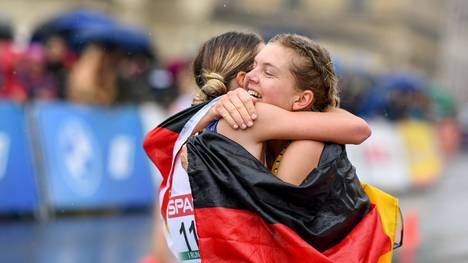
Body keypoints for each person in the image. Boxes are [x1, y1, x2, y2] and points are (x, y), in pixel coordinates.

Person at [145, 32, 394, 262]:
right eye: (254, 66)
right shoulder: (253, 117)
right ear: (241, 78)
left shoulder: (199, 120)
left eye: (267, 70)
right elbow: (358, 128)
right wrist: (314, 101)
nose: (254, 75)